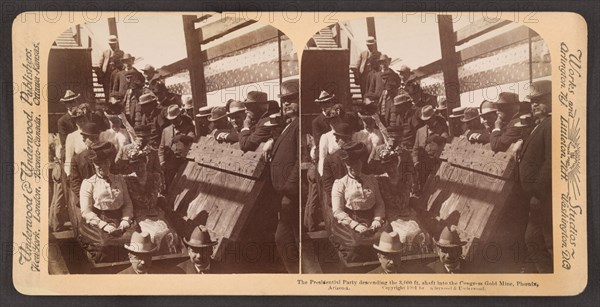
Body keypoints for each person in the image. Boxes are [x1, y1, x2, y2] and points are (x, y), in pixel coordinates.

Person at [518, 80, 552, 273]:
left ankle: (551, 284)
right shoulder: (542, 124)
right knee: (533, 241)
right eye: (532, 101)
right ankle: (542, 278)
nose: (534, 104)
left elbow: (552, 161)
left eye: (539, 100)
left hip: (543, 198)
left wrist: (538, 192)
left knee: (544, 243)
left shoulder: (552, 124)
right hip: (535, 198)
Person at [269, 86, 300, 273]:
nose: (286, 102)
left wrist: (289, 188)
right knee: (285, 239)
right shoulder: (290, 124)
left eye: (291, 98)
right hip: (283, 195)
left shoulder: (299, 124)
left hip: (292, 195)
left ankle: (299, 277)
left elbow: (300, 159)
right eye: (284, 99)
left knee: (288, 238)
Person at [331, 141, 385, 234]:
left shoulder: (371, 180)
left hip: (372, 220)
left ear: (361, 162)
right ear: (345, 164)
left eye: (356, 163)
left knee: (384, 239)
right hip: (351, 222)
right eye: (349, 164)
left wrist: (377, 219)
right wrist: (355, 225)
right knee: (355, 242)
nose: (353, 167)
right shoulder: (340, 184)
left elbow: (379, 203)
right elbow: (337, 211)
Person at [412, 105, 448, 194]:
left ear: (434, 117)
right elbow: (415, 149)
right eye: (425, 120)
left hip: (436, 165)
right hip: (422, 165)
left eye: (428, 120)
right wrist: (416, 161)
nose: (427, 122)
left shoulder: (442, 128)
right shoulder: (420, 131)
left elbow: (445, 140)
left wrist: (435, 137)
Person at [159, 105, 196, 185]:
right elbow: (161, 148)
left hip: (184, 162)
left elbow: (192, 139)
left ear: (179, 116)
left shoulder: (188, 128)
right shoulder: (166, 130)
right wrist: (162, 161)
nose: (173, 122)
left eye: (175, 119)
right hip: (170, 164)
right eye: (171, 120)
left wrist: (181, 137)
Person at [95, 35, 124, 100]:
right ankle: (108, 105)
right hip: (107, 76)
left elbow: (122, 64)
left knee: (115, 91)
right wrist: (99, 73)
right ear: (109, 44)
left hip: (116, 75)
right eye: (111, 44)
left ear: (116, 44)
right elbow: (100, 63)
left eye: (114, 44)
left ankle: (115, 105)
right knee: (107, 91)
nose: (112, 45)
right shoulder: (105, 52)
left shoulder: (121, 53)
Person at [64, 105, 89, 176]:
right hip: (80, 172)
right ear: (75, 122)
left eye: (83, 120)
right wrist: (69, 175)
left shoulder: (92, 133)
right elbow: (68, 158)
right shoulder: (72, 136)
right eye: (78, 120)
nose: (81, 122)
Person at [57, 90, 82, 161]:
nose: (73, 104)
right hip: (69, 148)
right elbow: (64, 142)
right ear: (66, 105)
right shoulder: (62, 121)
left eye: (74, 101)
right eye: (70, 103)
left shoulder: (83, 116)